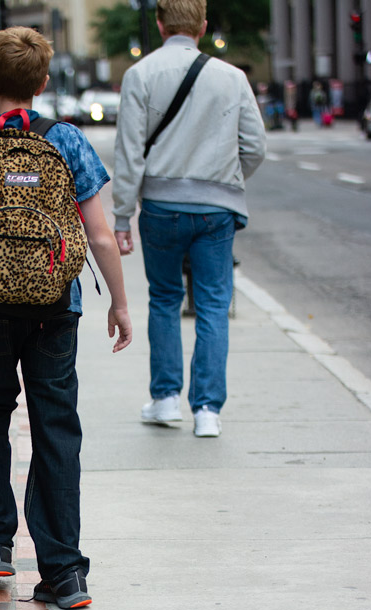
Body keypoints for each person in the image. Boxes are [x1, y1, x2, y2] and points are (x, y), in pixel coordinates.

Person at [0, 27, 132, 609]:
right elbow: (98, 234)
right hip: (54, 307)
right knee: (55, 425)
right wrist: (118, 303)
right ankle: (64, 573)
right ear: (43, 84)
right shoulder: (68, 141)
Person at [112, 0, 266, 436]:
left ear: (160, 24)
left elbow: (129, 154)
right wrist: (226, 179)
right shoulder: (232, 78)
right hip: (217, 210)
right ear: (202, 27)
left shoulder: (140, 75)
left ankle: (164, 400)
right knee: (214, 304)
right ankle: (207, 411)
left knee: (163, 299)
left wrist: (122, 217)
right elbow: (255, 147)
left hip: (160, 206)